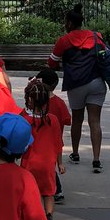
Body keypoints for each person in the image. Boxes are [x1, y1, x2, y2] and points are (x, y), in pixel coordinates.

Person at [47, 5, 107, 173]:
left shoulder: (64, 41)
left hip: (76, 84)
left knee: (77, 119)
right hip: (96, 82)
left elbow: (51, 63)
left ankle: (75, 153)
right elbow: (103, 55)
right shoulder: (96, 37)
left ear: (70, 23)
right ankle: (96, 160)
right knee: (95, 121)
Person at [20, 78, 65, 220]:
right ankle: (49, 216)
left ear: (29, 100)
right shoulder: (53, 120)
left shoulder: (25, 119)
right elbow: (58, 143)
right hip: (48, 164)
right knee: (48, 194)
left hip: (29, 163)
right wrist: (60, 163)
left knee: (28, 194)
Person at [37, 67, 70, 204]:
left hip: (38, 140)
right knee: (50, 166)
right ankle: (55, 190)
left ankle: (56, 190)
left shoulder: (37, 102)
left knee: (44, 167)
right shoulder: (59, 103)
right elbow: (67, 120)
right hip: (54, 141)